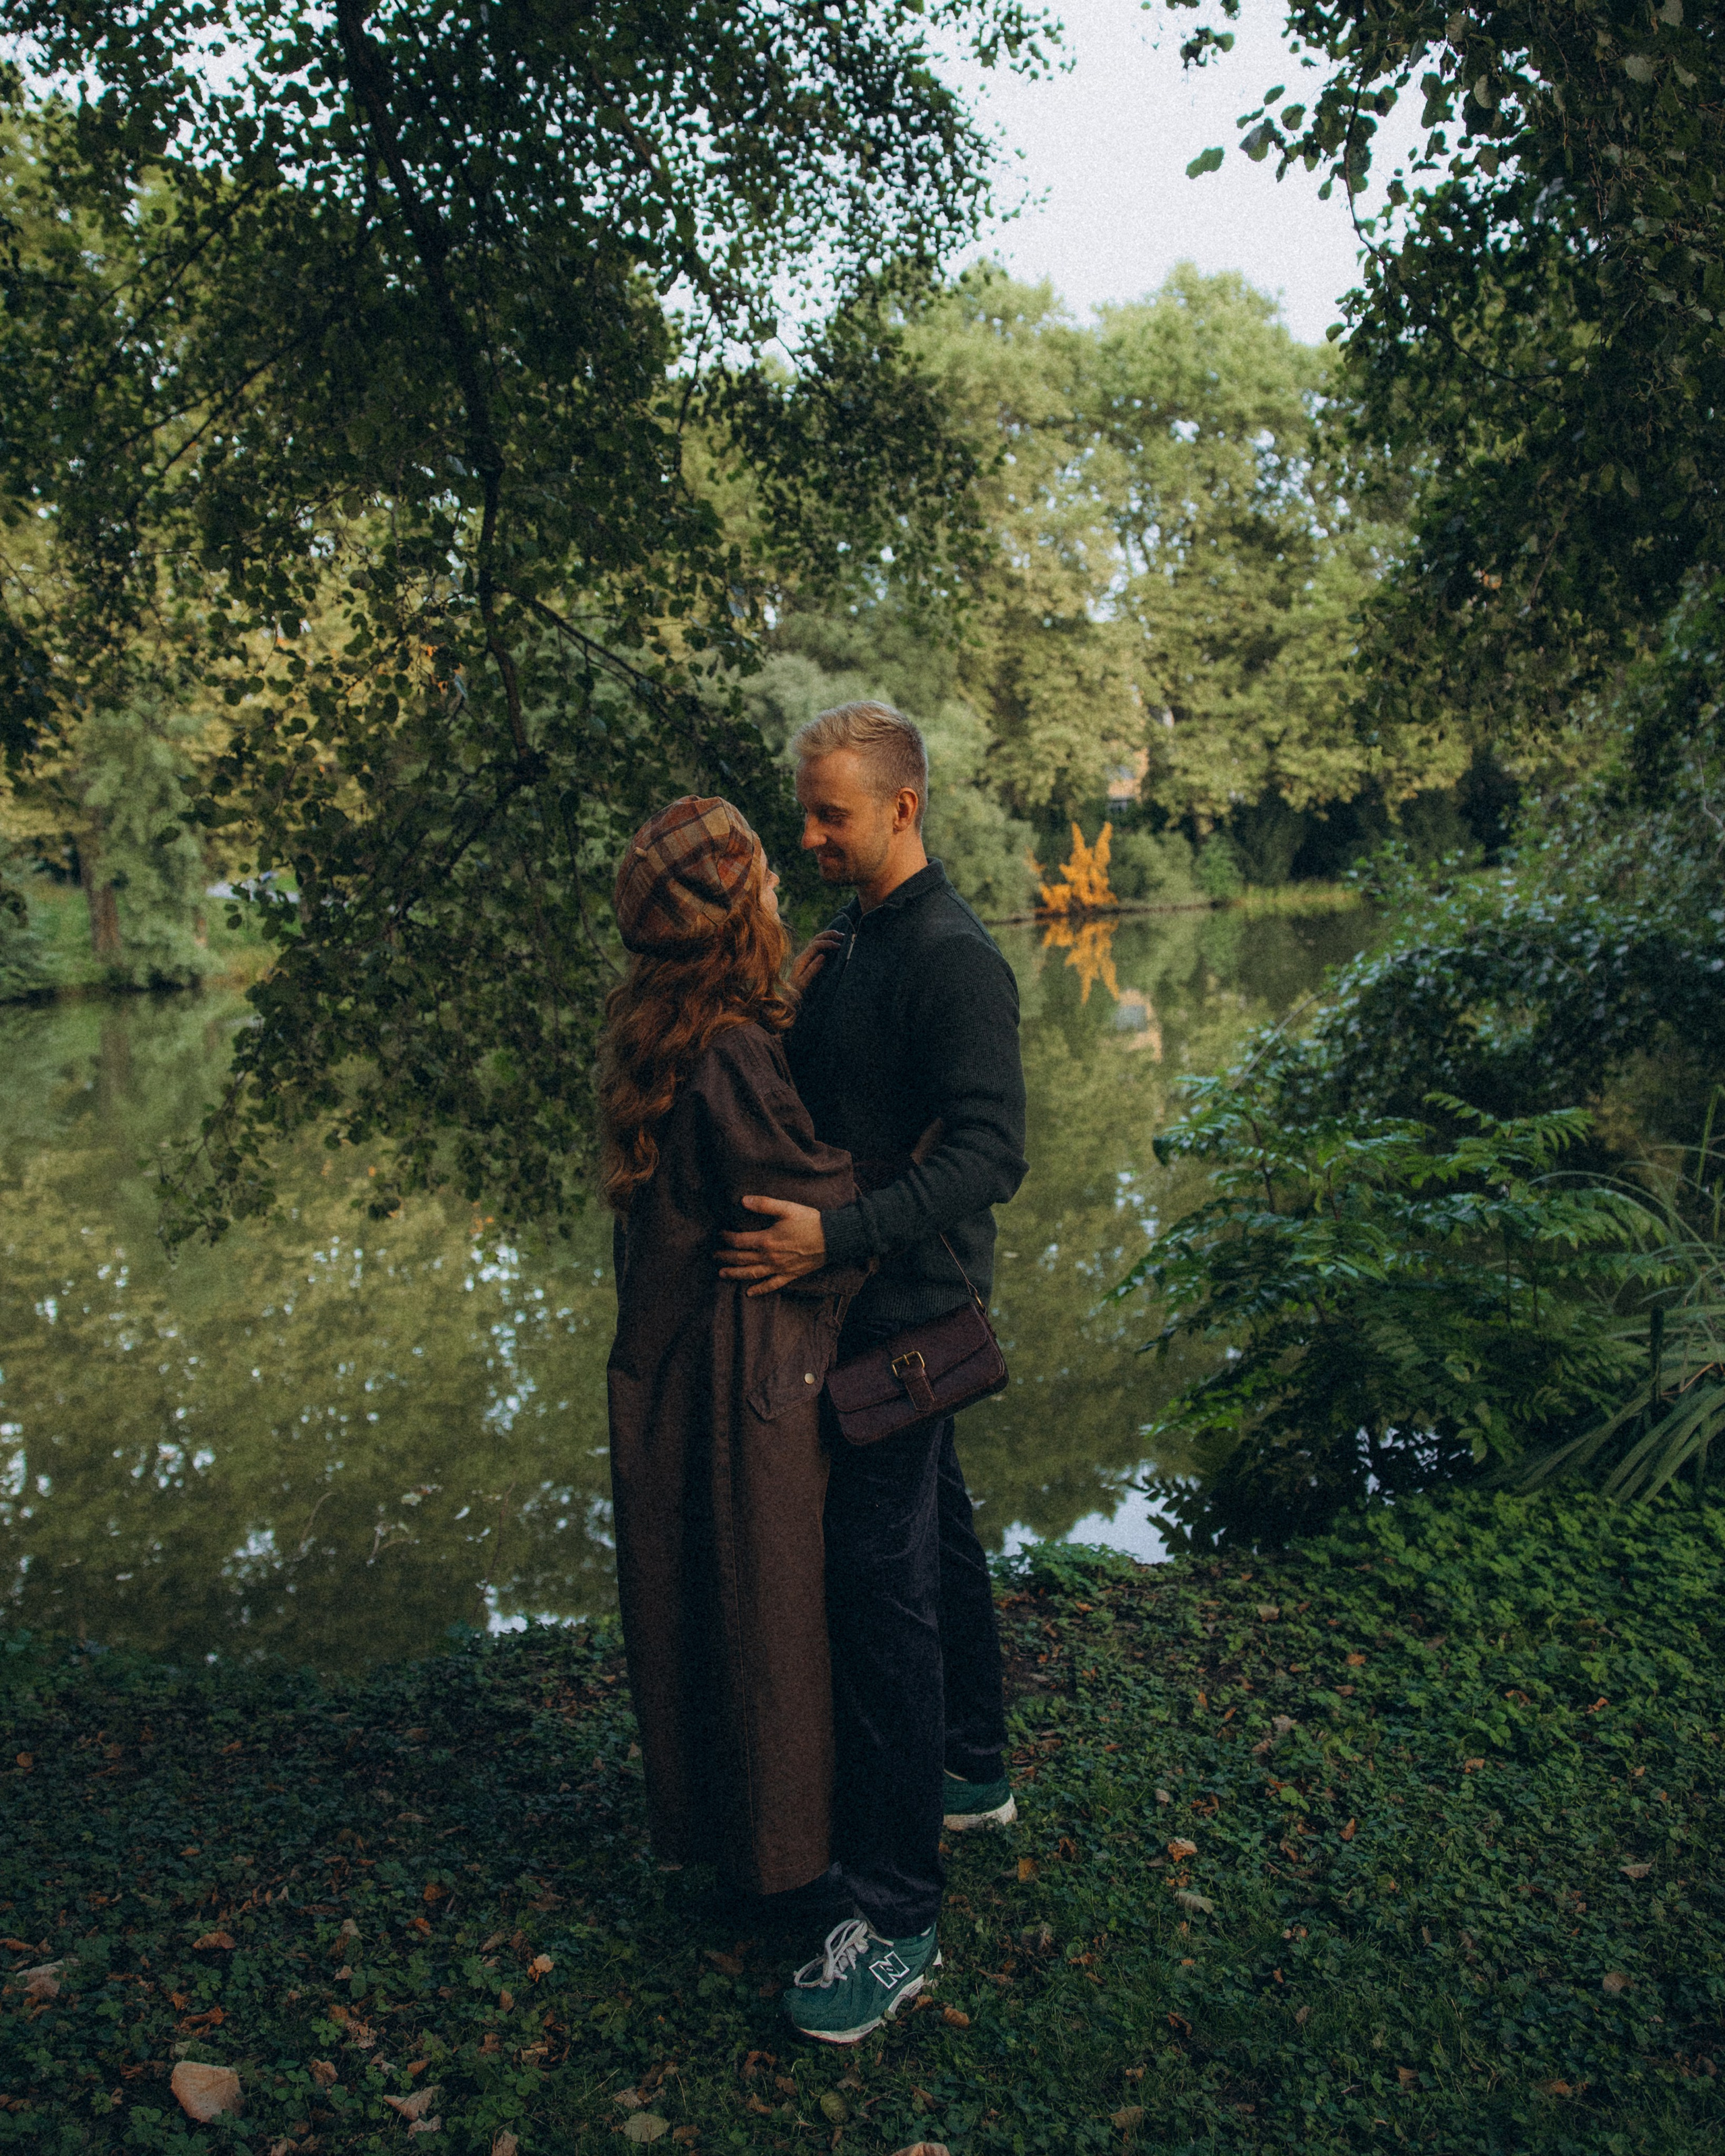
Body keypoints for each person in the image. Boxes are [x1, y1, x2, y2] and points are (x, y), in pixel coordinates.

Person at [720, 702, 1029, 2046]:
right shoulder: (857, 941)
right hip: (875, 1304)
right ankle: (970, 1765)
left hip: (900, 1314)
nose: (808, 833)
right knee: (936, 1538)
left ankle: (894, 1916)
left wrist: (832, 1237)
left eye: (830, 813)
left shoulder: (952, 959)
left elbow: (990, 1154)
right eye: (805, 808)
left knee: (877, 1589)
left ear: (903, 807)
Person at [601, 795, 868, 1905]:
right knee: (768, 1617)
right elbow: (809, 1197)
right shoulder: (733, 1058)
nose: (775, 882)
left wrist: (787, 1004)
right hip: (737, 1378)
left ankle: (716, 1838)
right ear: (730, 908)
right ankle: (792, 1873)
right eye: (759, 873)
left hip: (667, 1371)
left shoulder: (663, 1035)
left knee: (698, 1607)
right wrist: (916, 1151)